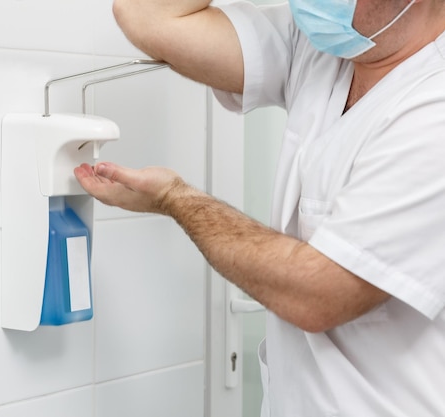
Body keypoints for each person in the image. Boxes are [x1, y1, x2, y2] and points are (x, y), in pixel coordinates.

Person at [74, 0, 445, 415]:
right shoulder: (323, 50)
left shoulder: (435, 107)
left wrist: (176, 198)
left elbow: (318, 293)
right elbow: (144, 14)